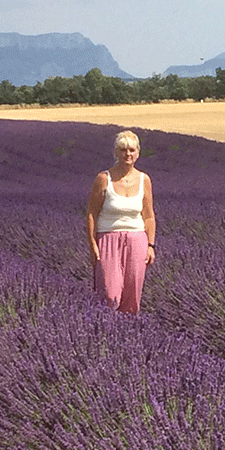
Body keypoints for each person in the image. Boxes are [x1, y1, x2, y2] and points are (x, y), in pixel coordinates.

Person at [86, 129, 156, 314]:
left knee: (132, 294)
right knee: (109, 293)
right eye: (123, 150)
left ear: (138, 153)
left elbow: (149, 216)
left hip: (137, 240)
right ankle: (106, 329)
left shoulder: (144, 179)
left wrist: (150, 245)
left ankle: (127, 332)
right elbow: (92, 213)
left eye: (132, 150)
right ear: (116, 152)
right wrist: (93, 244)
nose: (128, 154)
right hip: (108, 239)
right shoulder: (103, 179)